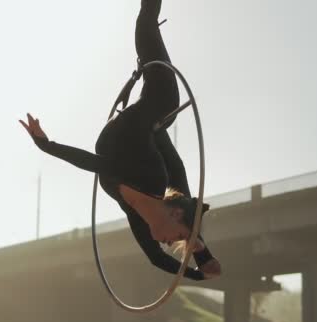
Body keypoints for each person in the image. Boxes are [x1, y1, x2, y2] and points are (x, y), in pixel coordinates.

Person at [20, 0, 221, 280]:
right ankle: (199, 245)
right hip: (160, 98)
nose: (169, 243)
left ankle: (199, 245)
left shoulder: (137, 214)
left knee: (177, 184)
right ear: (174, 215)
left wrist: (198, 274)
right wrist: (46, 144)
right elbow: (93, 162)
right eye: (178, 238)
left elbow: (156, 259)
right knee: (145, 23)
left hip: (142, 130)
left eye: (178, 243)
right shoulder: (151, 178)